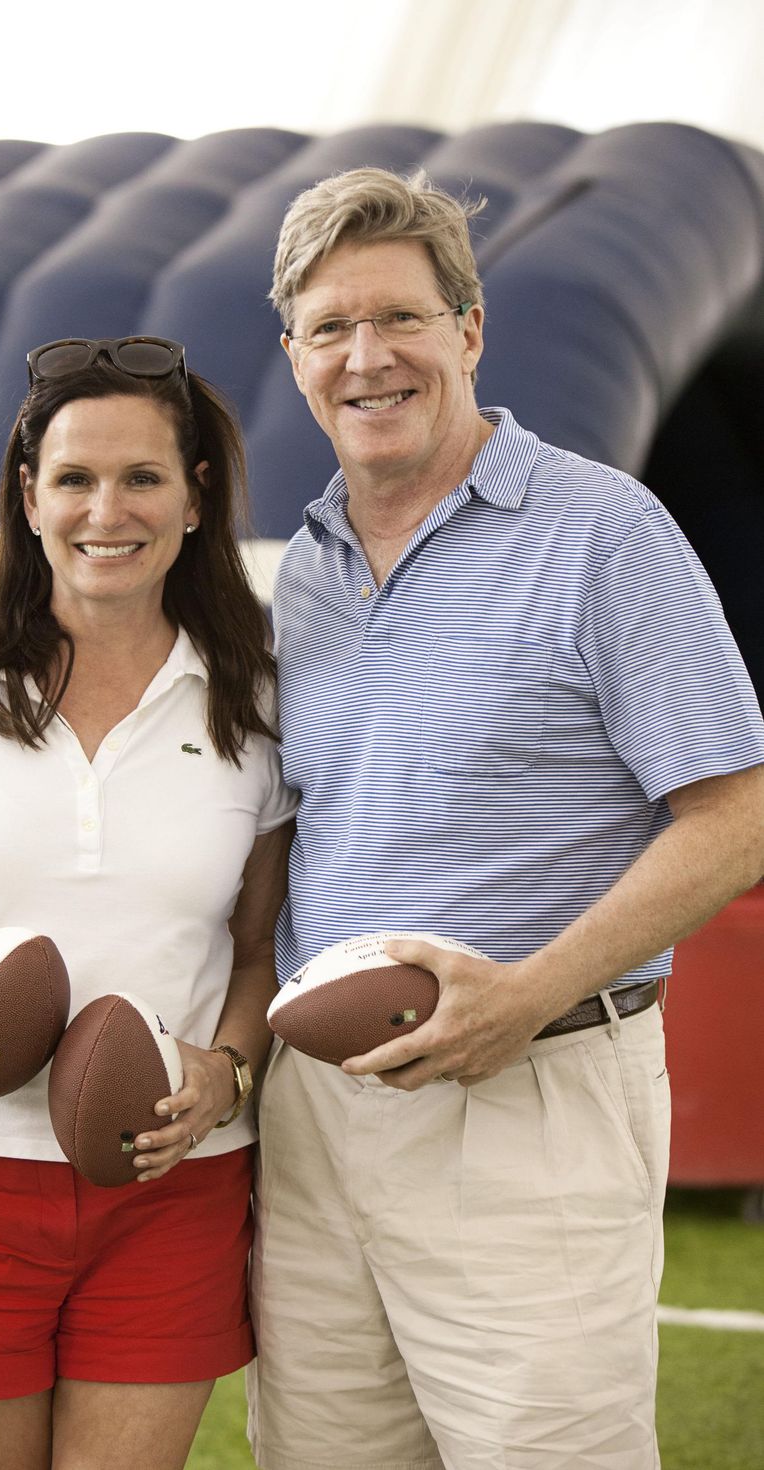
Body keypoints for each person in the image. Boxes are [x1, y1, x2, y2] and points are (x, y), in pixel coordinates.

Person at [245, 168, 764, 1470]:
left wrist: (525, 991)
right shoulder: (299, 568)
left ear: (468, 330)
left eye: (401, 317)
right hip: (317, 1120)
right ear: (297, 358)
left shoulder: (603, 533)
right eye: (330, 328)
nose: (368, 356)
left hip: (533, 1092)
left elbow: (738, 812)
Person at [0, 334, 296, 1470]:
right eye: (72, 478)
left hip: (171, 1182)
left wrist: (222, 1077)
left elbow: (258, 948)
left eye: (141, 478)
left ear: (193, 497)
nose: (103, 510)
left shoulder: (257, 701)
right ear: (28, 498)